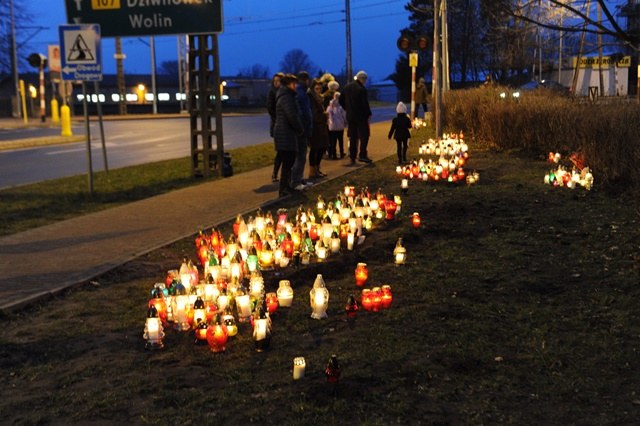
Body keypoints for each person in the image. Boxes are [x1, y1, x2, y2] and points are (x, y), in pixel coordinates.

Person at [273, 74, 304, 197]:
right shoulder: (286, 97)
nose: (295, 86)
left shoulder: (286, 96)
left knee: (289, 161)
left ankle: (287, 186)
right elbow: (291, 116)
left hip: (285, 132)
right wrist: (300, 128)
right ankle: (284, 188)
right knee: (288, 161)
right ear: (288, 84)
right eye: (294, 84)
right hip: (285, 133)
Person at [340, 70, 372, 165]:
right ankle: (362, 155)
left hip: (350, 116)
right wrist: (368, 113)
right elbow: (364, 104)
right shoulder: (361, 89)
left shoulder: (347, 87)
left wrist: (347, 108)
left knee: (353, 137)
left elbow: (341, 100)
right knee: (364, 136)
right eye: (365, 79)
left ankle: (352, 157)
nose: (365, 81)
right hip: (361, 116)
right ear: (362, 78)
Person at [291, 71, 313, 191]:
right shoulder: (301, 93)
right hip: (302, 130)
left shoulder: (301, 92)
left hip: (302, 128)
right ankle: (295, 181)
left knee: (301, 156)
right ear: (306, 80)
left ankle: (299, 179)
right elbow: (302, 112)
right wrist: (304, 127)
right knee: (300, 156)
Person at [307, 78, 329, 179]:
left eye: (320, 88)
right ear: (313, 88)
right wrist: (324, 115)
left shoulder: (320, 98)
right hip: (315, 127)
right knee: (315, 149)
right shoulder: (311, 98)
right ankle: (312, 171)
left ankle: (317, 169)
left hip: (321, 127)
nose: (319, 90)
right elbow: (314, 114)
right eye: (316, 88)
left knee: (321, 148)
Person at [267, 72, 284, 182]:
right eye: (275, 81)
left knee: (285, 151)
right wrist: (277, 118)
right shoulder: (272, 93)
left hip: (284, 125)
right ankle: (275, 173)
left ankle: (282, 174)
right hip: (277, 125)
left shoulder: (285, 93)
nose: (276, 83)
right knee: (280, 151)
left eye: (278, 81)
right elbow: (270, 108)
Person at [326, 91, 347, 159]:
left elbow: (328, 114)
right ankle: (341, 153)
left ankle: (333, 154)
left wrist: (329, 122)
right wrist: (345, 122)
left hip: (333, 127)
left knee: (333, 141)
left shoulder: (330, 106)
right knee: (340, 141)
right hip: (340, 126)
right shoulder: (340, 106)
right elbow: (344, 115)